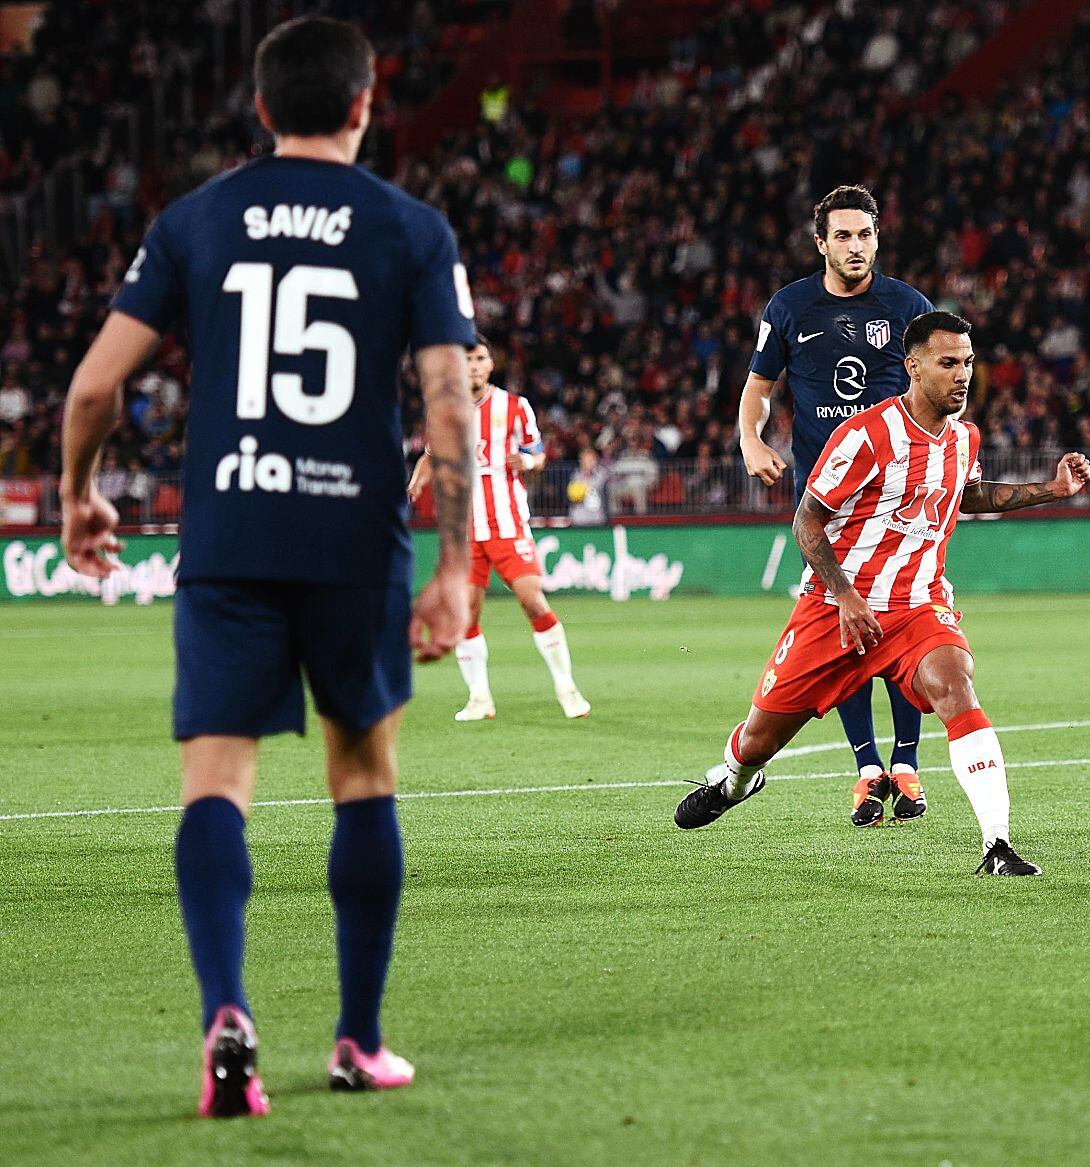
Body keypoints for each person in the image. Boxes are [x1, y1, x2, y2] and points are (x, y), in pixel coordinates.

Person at [59, 16, 478, 1116]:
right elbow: (449, 401)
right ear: (363, 104)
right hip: (354, 544)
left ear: (259, 109)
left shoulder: (196, 219)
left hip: (232, 539)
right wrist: (457, 566)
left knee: (216, 784)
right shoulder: (412, 229)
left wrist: (77, 492)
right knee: (363, 777)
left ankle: (226, 1015)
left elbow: (96, 389)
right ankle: (357, 1042)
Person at [675, 311, 1090, 875]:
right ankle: (734, 781)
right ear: (913, 367)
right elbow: (806, 521)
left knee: (956, 686)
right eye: (949, 364)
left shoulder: (964, 437)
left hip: (919, 606)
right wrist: (846, 595)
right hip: (835, 608)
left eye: (968, 363)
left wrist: (1053, 489)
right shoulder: (867, 436)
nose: (963, 375)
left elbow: (968, 496)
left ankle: (997, 845)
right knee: (758, 739)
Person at [738, 184, 937, 828]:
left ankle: (905, 766)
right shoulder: (791, 306)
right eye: (843, 236)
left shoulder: (908, 305)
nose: (856, 247)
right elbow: (759, 387)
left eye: (866, 234)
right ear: (820, 242)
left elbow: (938, 389)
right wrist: (750, 437)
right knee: (841, 631)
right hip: (825, 501)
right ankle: (866, 768)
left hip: (899, 493)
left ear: (878, 237)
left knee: (901, 621)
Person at [408, 335, 590, 721]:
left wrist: (529, 463)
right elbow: (430, 453)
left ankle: (567, 687)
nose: (474, 366)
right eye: (467, 360)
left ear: (491, 364)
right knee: (467, 614)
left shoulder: (514, 407)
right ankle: (479, 698)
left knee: (533, 600)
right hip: (464, 532)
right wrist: (417, 479)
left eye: (480, 359)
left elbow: (536, 452)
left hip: (507, 524)